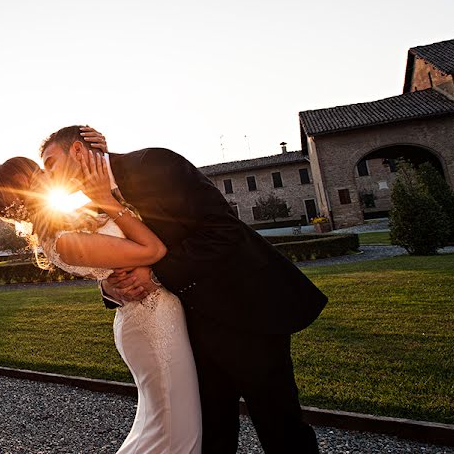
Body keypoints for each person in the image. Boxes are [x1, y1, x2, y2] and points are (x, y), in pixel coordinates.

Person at [39, 126, 327, 454]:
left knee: (281, 430)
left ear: (78, 151)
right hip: (184, 332)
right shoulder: (90, 207)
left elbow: (222, 229)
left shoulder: (152, 164)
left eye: (51, 164)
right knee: (210, 436)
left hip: (244, 312)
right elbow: (112, 258)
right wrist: (109, 286)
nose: (50, 177)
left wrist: (157, 274)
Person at [0, 151, 202, 454]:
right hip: (152, 325)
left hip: (153, 315)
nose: (46, 175)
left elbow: (111, 193)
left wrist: (103, 152)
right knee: (176, 432)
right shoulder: (61, 240)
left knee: (164, 426)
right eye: (37, 173)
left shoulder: (73, 219)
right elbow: (153, 250)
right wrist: (110, 204)